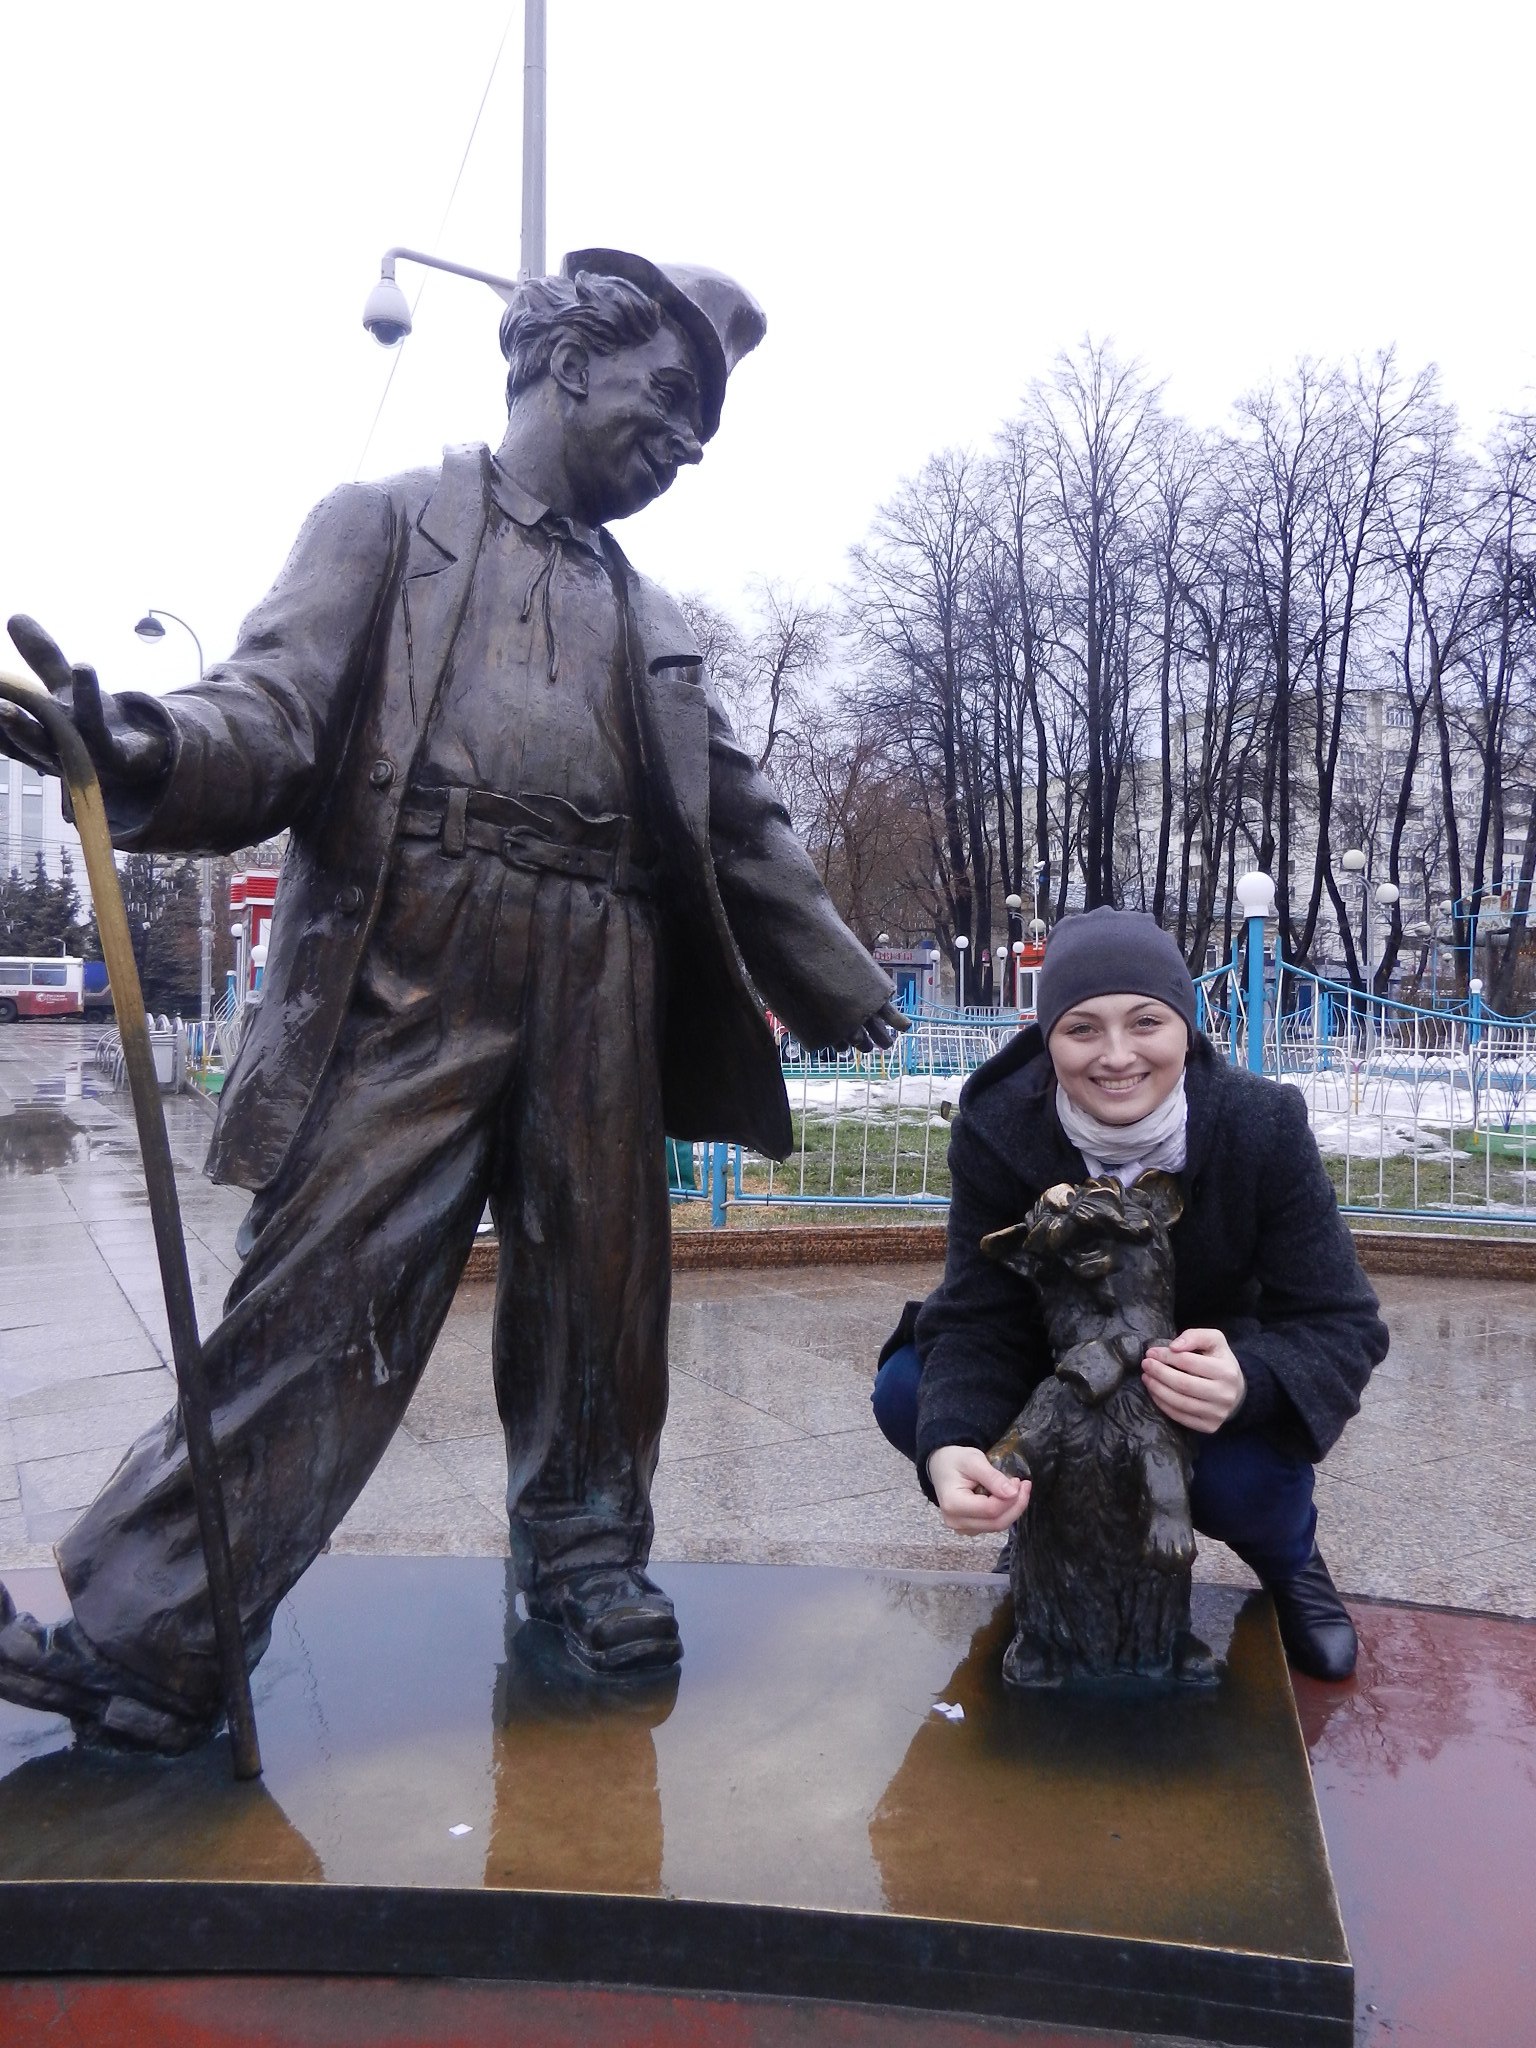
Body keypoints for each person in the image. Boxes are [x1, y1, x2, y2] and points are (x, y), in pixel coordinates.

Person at [0, 247, 903, 1752]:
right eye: (670, 399)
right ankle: (157, 1638)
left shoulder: (655, 617)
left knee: (602, 1288)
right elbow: (272, 712)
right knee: (328, 1292)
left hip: (601, 959)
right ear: (569, 363)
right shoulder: (384, 526)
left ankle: (590, 1558)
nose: (685, 445)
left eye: (704, 429)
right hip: (415, 946)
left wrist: (834, 974)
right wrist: (145, 745)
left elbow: (736, 820)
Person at [872, 906, 1386, 1681]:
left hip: (1194, 1383)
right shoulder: (999, 1127)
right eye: (1082, 1029)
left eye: (1146, 1022)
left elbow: (1341, 1319)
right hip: (1059, 1371)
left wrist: (1250, 1379)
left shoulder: (1260, 1124)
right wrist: (952, 1445)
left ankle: (1291, 1562)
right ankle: (1036, 1527)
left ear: (1185, 1027)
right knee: (912, 1394)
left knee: (1237, 1481)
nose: (1116, 1056)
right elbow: (978, 1314)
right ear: (1048, 1037)